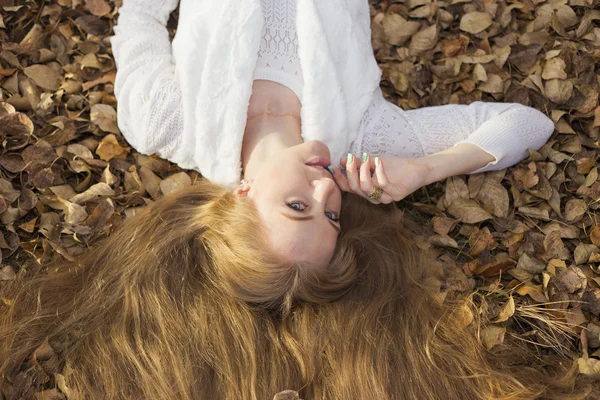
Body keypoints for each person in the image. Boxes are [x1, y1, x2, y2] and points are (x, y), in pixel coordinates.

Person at [1, 0, 595, 399]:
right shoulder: (362, 141)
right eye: (333, 214)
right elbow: (525, 123)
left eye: (297, 207)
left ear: (240, 196)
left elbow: (140, 20)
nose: (324, 187)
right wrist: (425, 168)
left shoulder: (161, 120)